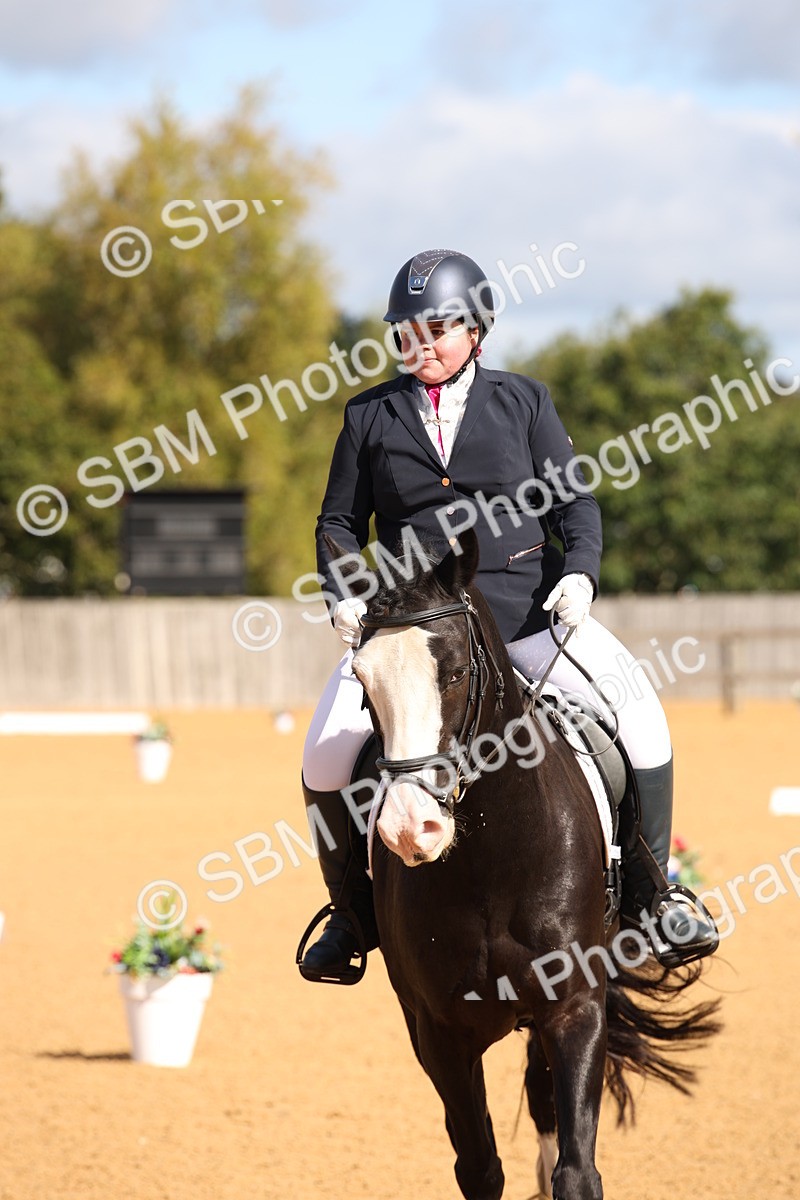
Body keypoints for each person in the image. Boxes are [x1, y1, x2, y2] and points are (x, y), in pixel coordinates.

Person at [298, 248, 718, 983]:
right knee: (325, 755)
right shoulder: (368, 414)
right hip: (413, 635)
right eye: (406, 329)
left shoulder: (525, 401)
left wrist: (580, 575)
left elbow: (575, 503)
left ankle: (656, 894)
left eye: (436, 327)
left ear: (476, 330)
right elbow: (337, 522)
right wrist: (347, 595)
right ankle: (351, 915)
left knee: (640, 716)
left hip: (528, 618)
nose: (419, 343)